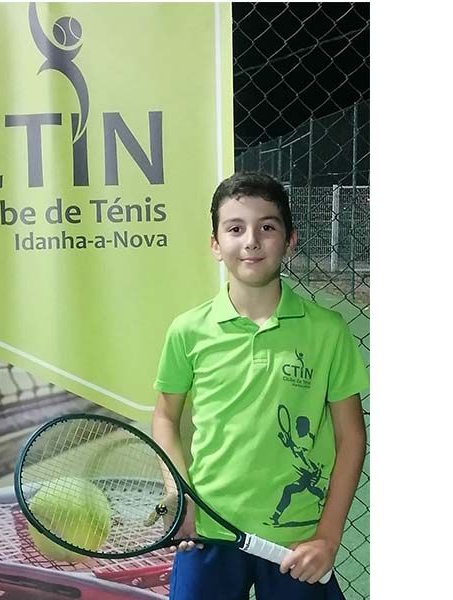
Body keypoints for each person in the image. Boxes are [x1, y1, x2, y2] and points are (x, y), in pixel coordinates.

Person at [152, 172, 368, 600]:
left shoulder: (327, 331)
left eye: (267, 227)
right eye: (235, 229)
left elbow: (351, 437)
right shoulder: (187, 331)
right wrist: (179, 493)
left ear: (290, 240)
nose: (251, 241)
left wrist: (327, 538)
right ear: (215, 244)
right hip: (208, 532)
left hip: (297, 540)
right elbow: (165, 416)